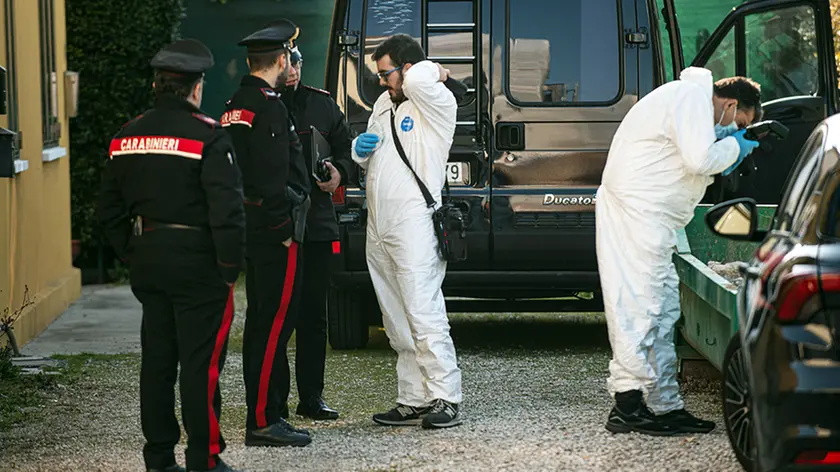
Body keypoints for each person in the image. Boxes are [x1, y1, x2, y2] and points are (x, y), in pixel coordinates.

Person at [97, 39, 245, 472]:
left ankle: (159, 458)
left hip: (149, 260)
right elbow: (228, 211)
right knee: (200, 366)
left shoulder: (125, 136)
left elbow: (107, 210)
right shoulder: (208, 135)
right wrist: (228, 268)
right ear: (196, 88)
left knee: (158, 362)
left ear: (156, 85)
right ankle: (204, 459)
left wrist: (130, 251)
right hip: (199, 264)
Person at [596, 67, 762, 436]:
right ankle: (627, 404)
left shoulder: (688, 105)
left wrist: (732, 144)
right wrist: (736, 145)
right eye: (739, 121)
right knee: (640, 305)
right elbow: (700, 160)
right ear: (730, 103)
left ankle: (663, 404)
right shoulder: (689, 98)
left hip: (652, 218)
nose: (734, 129)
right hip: (638, 214)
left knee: (662, 308)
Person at [352, 34, 463, 429]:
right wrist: (358, 152)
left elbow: (417, 82)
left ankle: (445, 396)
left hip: (414, 221)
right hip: (380, 222)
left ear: (410, 68)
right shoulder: (384, 104)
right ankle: (413, 398)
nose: (381, 82)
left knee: (423, 310)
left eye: (386, 73)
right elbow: (373, 156)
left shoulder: (435, 100)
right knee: (395, 315)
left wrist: (434, 71)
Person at [220, 19, 312, 447]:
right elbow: (274, 178)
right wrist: (284, 231)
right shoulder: (270, 106)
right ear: (280, 60)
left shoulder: (234, 104)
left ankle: (269, 411)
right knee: (272, 326)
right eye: (288, 56)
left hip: (248, 228)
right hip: (274, 233)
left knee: (261, 323)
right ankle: (262, 419)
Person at [279, 43, 353, 421]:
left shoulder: (322, 105)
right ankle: (274, 402)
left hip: (319, 225)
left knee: (313, 316)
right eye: (285, 62)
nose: (292, 70)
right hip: (278, 226)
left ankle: (311, 397)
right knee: (278, 316)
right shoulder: (261, 105)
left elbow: (347, 149)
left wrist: (339, 171)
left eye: (297, 62)